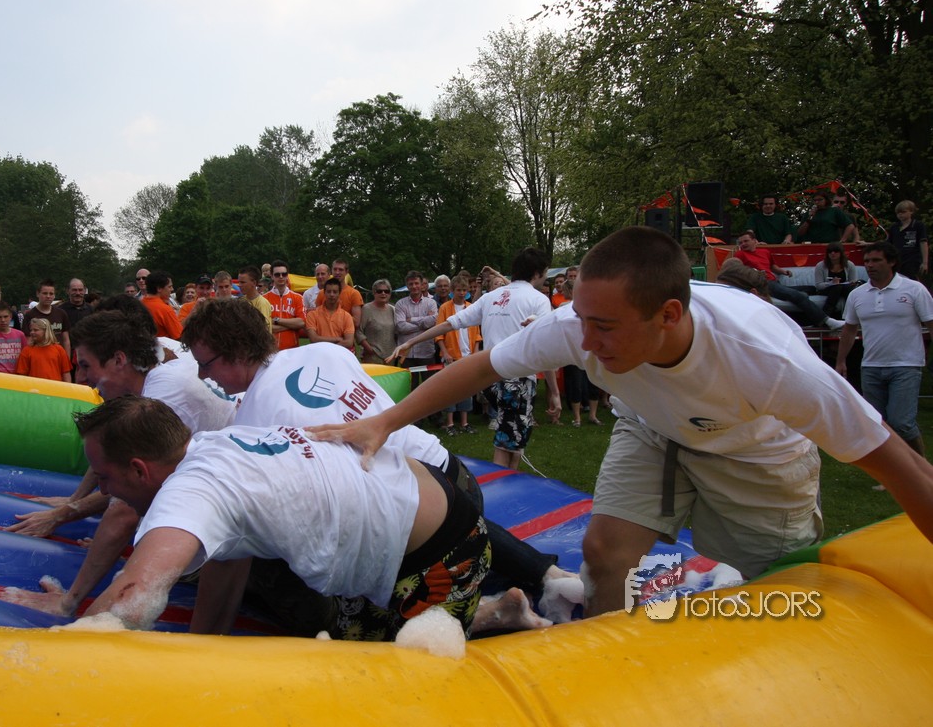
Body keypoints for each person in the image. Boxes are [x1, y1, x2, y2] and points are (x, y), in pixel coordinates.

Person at [308, 226, 933, 619]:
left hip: (756, 453)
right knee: (604, 554)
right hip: (652, 426)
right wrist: (383, 423)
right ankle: (605, 671)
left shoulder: (766, 362)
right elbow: (479, 368)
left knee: (770, 591)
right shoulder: (578, 327)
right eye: (581, 319)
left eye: (603, 327)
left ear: (668, 315)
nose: (584, 341)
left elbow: (902, 466)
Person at [181, 298, 575, 629]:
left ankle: (482, 613)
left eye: (206, 363)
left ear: (236, 352)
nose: (202, 375)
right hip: (452, 475)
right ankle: (547, 574)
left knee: (313, 579)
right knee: (452, 514)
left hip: (425, 527)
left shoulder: (257, 422)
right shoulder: (324, 352)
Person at [46, 396, 489, 640]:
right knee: (352, 641)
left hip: (443, 551)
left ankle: (482, 612)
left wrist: (58, 656)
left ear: (140, 469)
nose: (104, 492)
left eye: (104, 477)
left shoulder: (190, 490)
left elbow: (132, 598)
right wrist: (198, 656)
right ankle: (499, 610)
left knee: (396, 685)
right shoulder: (217, 444)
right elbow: (229, 555)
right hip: (414, 504)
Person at [0, 310, 235, 617]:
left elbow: (122, 508)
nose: (82, 378)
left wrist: (69, 601)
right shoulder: (160, 353)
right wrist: (73, 501)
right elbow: (111, 448)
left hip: (237, 536)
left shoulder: (163, 396)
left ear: (119, 360)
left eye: (86, 366)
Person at [388, 248, 557, 470]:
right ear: (537, 273)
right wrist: (554, 392)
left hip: (489, 378)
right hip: (518, 381)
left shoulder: (491, 297)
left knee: (512, 442)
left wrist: (410, 342)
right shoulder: (539, 300)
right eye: (545, 272)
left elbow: (450, 323)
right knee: (507, 445)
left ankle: (507, 479)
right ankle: (501, 486)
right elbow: (545, 347)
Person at [837, 242, 933, 460]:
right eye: (867, 261)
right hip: (871, 366)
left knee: (902, 423)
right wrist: (841, 361)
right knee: (878, 425)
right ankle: (896, 471)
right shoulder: (857, 295)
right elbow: (849, 330)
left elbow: (931, 323)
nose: (870, 265)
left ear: (891, 262)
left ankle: (922, 468)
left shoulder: (914, 289)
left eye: (876, 260)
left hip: (906, 365)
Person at [734, 230, 845, 330]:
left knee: (810, 289)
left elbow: (772, 266)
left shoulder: (765, 252)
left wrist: (783, 272)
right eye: (741, 242)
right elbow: (736, 271)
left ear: (754, 241)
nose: (743, 244)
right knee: (797, 295)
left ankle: (801, 301)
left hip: (775, 283)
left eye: (746, 241)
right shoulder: (740, 254)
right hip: (763, 284)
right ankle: (826, 321)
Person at [435, 275, 482, 435]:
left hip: (467, 355)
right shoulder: (445, 308)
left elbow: (477, 334)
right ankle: (449, 423)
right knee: (450, 389)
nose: (462, 293)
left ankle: (464, 422)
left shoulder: (471, 308)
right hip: (451, 355)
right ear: (452, 291)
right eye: (459, 290)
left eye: (464, 290)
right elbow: (439, 334)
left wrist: (475, 352)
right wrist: (445, 352)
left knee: (466, 389)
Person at [393, 270, 439, 373]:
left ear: (422, 285)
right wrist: (424, 325)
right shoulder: (400, 304)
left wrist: (412, 320)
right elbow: (401, 326)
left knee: (429, 382)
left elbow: (433, 321)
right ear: (407, 286)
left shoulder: (431, 303)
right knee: (410, 382)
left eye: (416, 283)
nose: (414, 286)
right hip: (406, 354)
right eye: (411, 284)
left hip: (426, 351)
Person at [264, 260, 306, 351]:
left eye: (284, 274)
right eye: (277, 274)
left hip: (292, 350)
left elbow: (301, 322)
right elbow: (264, 327)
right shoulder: (264, 299)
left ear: (287, 275)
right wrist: (291, 325)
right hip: (270, 350)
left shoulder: (298, 298)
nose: (281, 277)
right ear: (272, 276)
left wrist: (276, 320)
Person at [22, 280, 71, 356]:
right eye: (45, 293)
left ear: (54, 295)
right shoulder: (30, 315)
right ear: (38, 294)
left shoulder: (61, 313)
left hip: (58, 357)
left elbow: (66, 340)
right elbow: (28, 341)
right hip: (39, 357)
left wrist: (67, 358)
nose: (48, 296)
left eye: (51, 294)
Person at [304, 277, 355, 350]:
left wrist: (329, 347)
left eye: (335, 292)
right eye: (329, 291)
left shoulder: (346, 316)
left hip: (338, 355)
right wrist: (337, 339)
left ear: (339, 293)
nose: (331, 294)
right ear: (324, 293)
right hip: (319, 354)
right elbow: (313, 339)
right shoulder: (312, 315)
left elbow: (349, 342)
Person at [16, 318, 73, 382]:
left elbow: (66, 373)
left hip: (55, 387)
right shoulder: (26, 351)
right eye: (31, 330)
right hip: (34, 387)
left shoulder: (59, 349)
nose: (32, 332)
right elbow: (22, 375)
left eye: (36, 330)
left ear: (46, 331)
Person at [814, 242, 861, 318]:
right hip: (826, 290)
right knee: (837, 287)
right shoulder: (820, 266)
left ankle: (850, 316)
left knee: (846, 288)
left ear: (841, 253)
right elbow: (818, 286)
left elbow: (854, 281)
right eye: (830, 252)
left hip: (845, 289)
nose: (832, 253)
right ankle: (825, 316)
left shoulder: (849, 265)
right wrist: (831, 283)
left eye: (836, 251)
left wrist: (852, 283)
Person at [886, 200, 929, 281]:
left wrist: (925, 262)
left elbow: (923, 242)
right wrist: (868, 244)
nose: (900, 215)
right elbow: (887, 244)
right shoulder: (894, 227)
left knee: (912, 281)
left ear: (911, 212)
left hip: (912, 260)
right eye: (898, 213)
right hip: (897, 260)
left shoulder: (918, 225)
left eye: (903, 212)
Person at [358, 279, 397, 364]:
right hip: (372, 356)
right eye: (379, 291)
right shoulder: (366, 309)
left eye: (386, 291)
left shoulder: (393, 310)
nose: (383, 293)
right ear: (374, 292)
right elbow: (358, 331)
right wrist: (369, 349)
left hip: (391, 357)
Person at [141, 270, 183, 340]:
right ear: (159, 288)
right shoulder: (165, 310)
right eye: (169, 287)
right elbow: (179, 336)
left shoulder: (139, 305)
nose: (172, 289)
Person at [236, 265, 273, 331]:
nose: (239, 285)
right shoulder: (240, 301)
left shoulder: (262, 303)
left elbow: (263, 329)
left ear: (254, 283)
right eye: (239, 282)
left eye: (243, 282)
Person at [331, 258, 363, 331]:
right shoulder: (322, 293)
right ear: (331, 271)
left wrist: (335, 315)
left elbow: (356, 322)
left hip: (345, 335)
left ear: (346, 272)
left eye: (340, 270)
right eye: (335, 269)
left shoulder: (354, 293)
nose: (337, 272)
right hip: (325, 336)